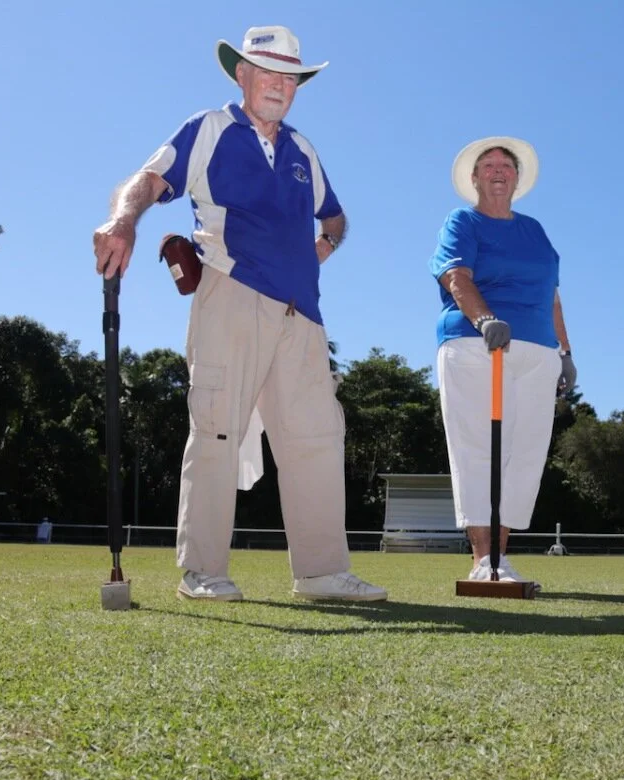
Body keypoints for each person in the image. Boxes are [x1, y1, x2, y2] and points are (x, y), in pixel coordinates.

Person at [91, 26, 386, 603]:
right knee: (217, 429)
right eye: (267, 72)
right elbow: (148, 181)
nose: (279, 85)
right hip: (230, 295)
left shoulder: (304, 150)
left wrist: (317, 254)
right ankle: (203, 572)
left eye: (290, 77)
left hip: (303, 314)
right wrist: (124, 220)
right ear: (241, 75)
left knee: (318, 439)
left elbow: (336, 219)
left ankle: (323, 573)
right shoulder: (210, 129)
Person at [430, 136, 576, 591]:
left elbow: (551, 293)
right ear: (474, 178)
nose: (497, 171)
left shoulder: (534, 230)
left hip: (537, 351)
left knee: (524, 453)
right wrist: (485, 319)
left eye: (506, 165)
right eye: (488, 165)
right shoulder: (463, 221)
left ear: (517, 178)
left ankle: (502, 556)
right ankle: (483, 558)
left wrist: (566, 353)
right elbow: (456, 275)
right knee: (478, 448)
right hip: (478, 345)